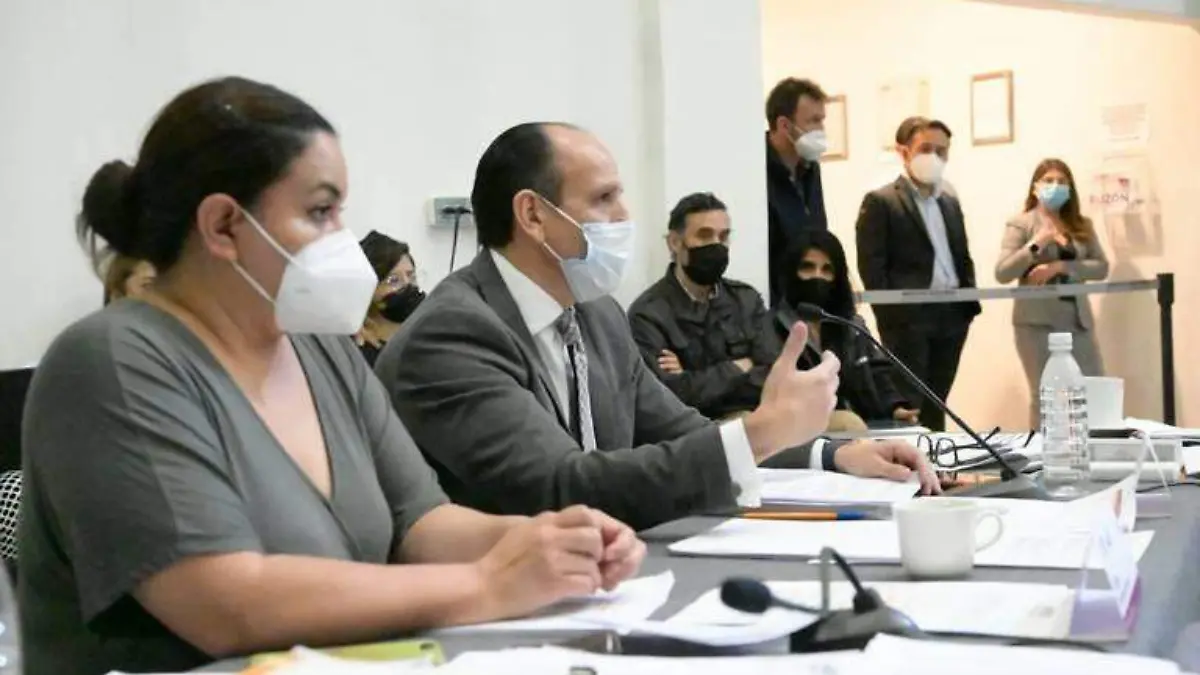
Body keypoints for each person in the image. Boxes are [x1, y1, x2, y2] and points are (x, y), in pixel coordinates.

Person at [18, 78, 645, 675]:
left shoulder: (322, 351)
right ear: (223, 226)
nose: (341, 237)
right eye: (320, 211)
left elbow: (423, 524)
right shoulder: (111, 361)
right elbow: (226, 604)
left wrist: (558, 540)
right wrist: (488, 583)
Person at [375, 122, 938, 532]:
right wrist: (763, 431)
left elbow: (681, 431)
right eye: (604, 198)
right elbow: (560, 487)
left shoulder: (596, 313)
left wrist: (830, 454)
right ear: (533, 215)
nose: (624, 215)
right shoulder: (453, 335)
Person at [855, 117, 980, 431]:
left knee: (938, 401)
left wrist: (968, 304)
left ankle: (939, 458)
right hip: (908, 318)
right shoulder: (882, 201)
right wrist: (893, 316)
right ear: (904, 152)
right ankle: (910, 458)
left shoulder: (949, 202)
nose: (934, 156)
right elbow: (872, 266)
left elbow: (962, 256)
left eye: (941, 150)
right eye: (925, 148)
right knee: (910, 403)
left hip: (953, 315)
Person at [627, 192, 778, 421]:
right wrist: (739, 367)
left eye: (723, 236)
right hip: (696, 430)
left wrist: (692, 376)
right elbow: (668, 397)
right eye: (704, 235)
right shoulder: (648, 314)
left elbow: (774, 374)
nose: (716, 245)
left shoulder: (746, 300)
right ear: (675, 242)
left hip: (758, 419)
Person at [995, 158, 1108, 422]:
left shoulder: (1081, 225)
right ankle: (1042, 447)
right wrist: (1037, 244)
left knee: (1092, 390)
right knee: (1047, 396)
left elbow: (1101, 267)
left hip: (1077, 321)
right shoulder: (1021, 224)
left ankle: (1091, 444)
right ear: (1035, 187)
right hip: (1037, 324)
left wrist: (1061, 266)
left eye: (1061, 181)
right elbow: (1003, 272)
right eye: (1048, 180)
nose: (1055, 186)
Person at [774, 230, 919, 432]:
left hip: (862, 425)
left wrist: (894, 407)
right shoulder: (774, 325)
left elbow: (876, 371)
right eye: (808, 267)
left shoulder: (851, 325)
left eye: (827, 269)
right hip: (805, 426)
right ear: (792, 272)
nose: (817, 276)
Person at [765, 77, 829, 306]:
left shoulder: (810, 169)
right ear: (784, 125)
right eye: (814, 121)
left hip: (811, 298)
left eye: (822, 121)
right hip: (774, 304)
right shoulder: (757, 170)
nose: (821, 130)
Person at [356, 230, 425, 365]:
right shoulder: (358, 354)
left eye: (411, 276)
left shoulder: (424, 340)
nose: (407, 285)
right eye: (393, 280)